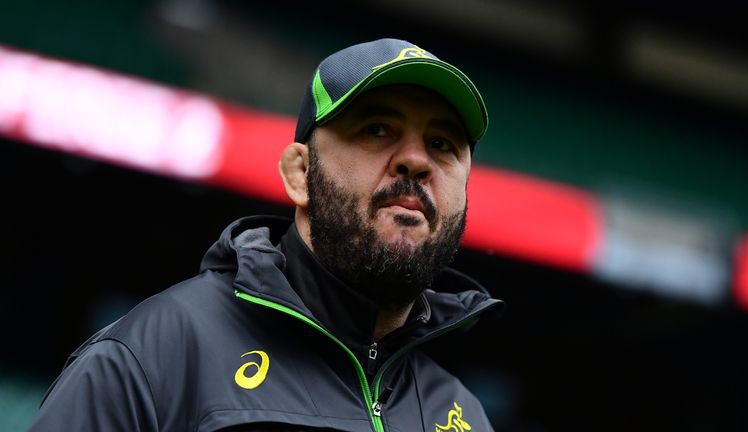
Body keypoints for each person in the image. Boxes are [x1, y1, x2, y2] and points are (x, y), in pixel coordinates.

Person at [29, 38, 505, 432]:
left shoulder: (463, 416)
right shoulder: (153, 358)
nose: (417, 160)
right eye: (377, 129)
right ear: (300, 174)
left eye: (442, 144)